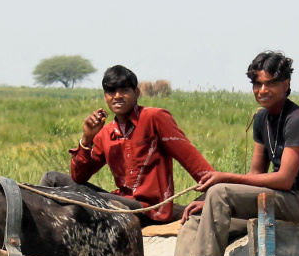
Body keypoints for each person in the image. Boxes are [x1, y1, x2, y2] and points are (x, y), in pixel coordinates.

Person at [155, 51, 299, 256]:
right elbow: (256, 174)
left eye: (271, 83)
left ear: (286, 84)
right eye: (258, 84)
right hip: (276, 198)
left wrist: (224, 178)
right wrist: (210, 206)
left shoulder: (298, 119)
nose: (263, 90)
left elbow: (284, 180)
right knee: (195, 218)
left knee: (219, 191)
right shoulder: (262, 119)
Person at [41, 64, 214, 223]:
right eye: (111, 91)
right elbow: (79, 178)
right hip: (121, 202)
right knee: (52, 179)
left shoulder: (154, 118)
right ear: (105, 96)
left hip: (150, 209)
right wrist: (87, 139)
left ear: (136, 93)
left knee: (90, 199)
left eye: (124, 90)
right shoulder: (105, 133)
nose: (117, 96)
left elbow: (193, 162)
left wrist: (216, 194)